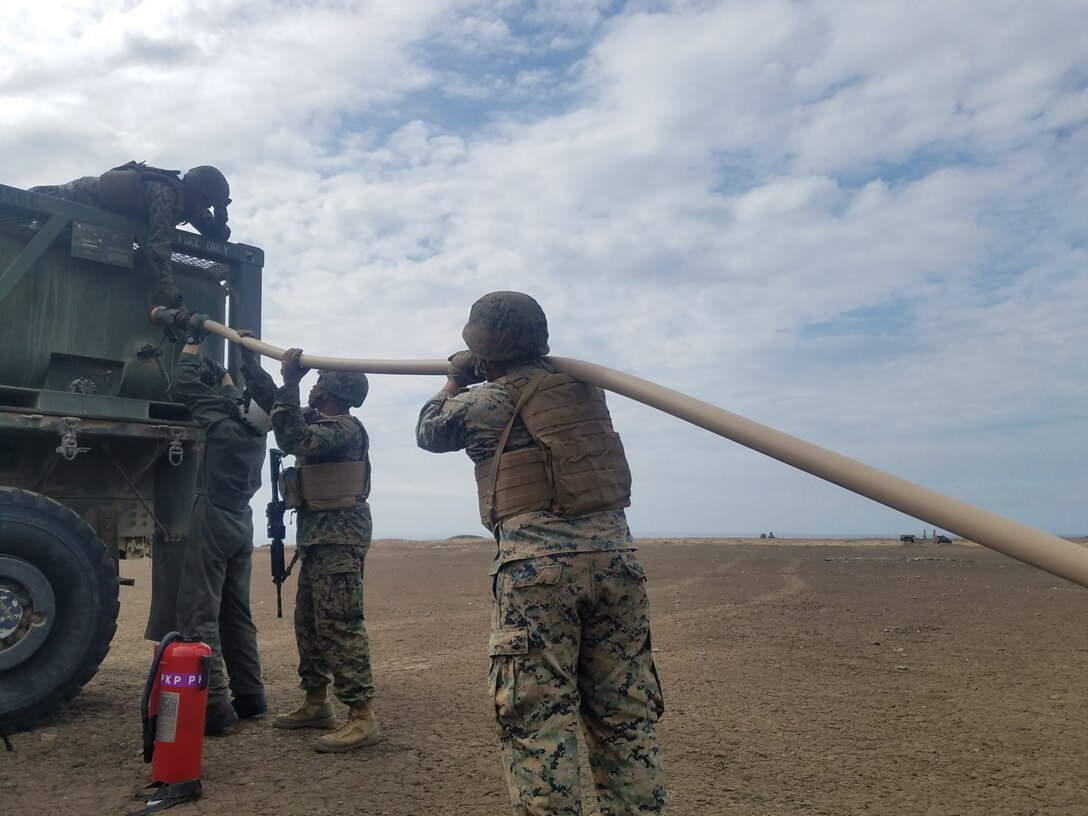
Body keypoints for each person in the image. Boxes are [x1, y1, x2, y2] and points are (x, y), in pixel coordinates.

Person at [415, 291, 667, 815]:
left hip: (537, 576)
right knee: (625, 720)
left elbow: (430, 429)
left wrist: (459, 375)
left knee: (538, 725)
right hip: (617, 563)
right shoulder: (585, 389)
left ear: (483, 349)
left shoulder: (486, 401)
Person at [239, 338, 380, 754]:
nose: (312, 386)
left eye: (318, 381)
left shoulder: (343, 429)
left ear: (333, 392)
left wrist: (289, 381)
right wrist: (251, 363)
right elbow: (273, 403)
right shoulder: (320, 421)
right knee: (311, 622)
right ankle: (316, 703)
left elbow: (291, 436)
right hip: (319, 539)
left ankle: (362, 716)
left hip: (339, 539)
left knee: (339, 623)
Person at [170, 313, 269, 736]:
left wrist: (192, 342)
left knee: (201, 609)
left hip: (212, 518)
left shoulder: (224, 428)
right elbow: (241, 401)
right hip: (241, 522)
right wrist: (232, 372)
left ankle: (213, 705)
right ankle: (250, 696)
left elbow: (185, 387)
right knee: (236, 613)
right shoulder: (254, 433)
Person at [30, 162, 231, 306]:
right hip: (80, 196)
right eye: (207, 202)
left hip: (96, 216)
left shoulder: (190, 205)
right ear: (196, 193)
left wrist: (221, 217)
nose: (206, 208)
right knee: (32, 204)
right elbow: (159, 243)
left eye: (211, 205)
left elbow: (218, 235)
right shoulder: (166, 194)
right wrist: (167, 285)